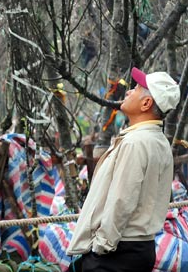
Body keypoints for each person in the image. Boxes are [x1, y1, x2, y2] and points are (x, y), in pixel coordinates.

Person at [66, 67, 180, 272]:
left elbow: (122, 199)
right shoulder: (158, 140)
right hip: (139, 247)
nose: (128, 92)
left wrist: (101, 245)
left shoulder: (136, 143)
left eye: (136, 89)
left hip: (117, 251)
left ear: (146, 103)